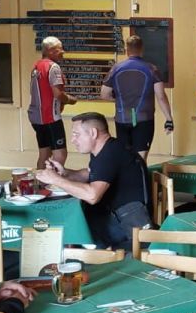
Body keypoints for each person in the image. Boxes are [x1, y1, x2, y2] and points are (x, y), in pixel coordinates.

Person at [35, 112, 152, 250]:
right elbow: (92, 174)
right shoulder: (108, 148)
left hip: (129, 228)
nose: (72, 140)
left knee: (65, 228)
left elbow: (92, 196)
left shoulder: (110, 154)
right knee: (74, 221)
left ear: (93, 133)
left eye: (76, 134)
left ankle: (77, 258)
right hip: (118, 217)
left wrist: (56, 180)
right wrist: (64, 173)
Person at [101, 35, 174, 161]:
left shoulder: (116, 69)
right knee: (140, 159)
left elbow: (104, 94)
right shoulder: (152, 69)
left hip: (122, 119)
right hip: (144, 119)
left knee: (125, 158)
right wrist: (169, 119)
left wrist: (120, 100)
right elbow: (161, 96)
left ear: (126, 49)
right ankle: (140, 174)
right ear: (142, 49)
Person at [28, 36, 77, 169]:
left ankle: (40, 180)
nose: (63, 52)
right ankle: (54, 180)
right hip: (50, 117)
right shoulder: (53, 67)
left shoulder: (36, 66)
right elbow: (58, 94)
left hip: (36, 118)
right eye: (59, 49)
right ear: (50, 50)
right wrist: (70, 100)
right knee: (60, 154)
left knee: (44, 154)